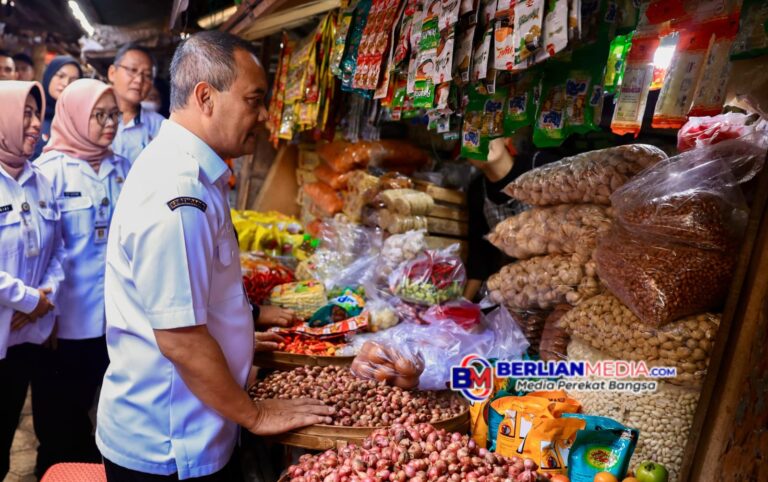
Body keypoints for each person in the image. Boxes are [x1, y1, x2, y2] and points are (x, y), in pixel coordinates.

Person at [96, 31, 333, 481]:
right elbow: (181, 340)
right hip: (170, 443)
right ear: (206, 97)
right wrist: (255, 414)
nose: (263, 116)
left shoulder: (196, 173)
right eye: (253, 101)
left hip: (192, 424)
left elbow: (198, 301)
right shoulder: (179, 191)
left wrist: (238, 337)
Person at [33, 78, 129, 477]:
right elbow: (41, 252)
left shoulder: (123, 168)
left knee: (101, 421)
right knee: (59, 424)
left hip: (112, 322)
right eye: (99, 115)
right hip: (63, 323)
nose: (109, 124)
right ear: (73, 116)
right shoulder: (49, 172)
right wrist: (44, 315)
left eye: (114, 115)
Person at [0, 81, 64, 481]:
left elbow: (60, 249)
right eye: (24, 114)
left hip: (26, 337)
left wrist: (48, 294)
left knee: (5, 435)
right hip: (7, 325)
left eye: (36, 114)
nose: (35, 123)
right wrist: (28, 299)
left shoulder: (41, 180)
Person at [464, 137, 530, 301]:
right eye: (470, 137)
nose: (479, 142)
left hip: (558, 273)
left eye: (487, 132)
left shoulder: (538, 164)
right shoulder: (477, 191)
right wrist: (464, 303)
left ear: (507, 138)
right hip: (514, 288)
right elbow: (479, 253)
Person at [108, 43, 164, 165]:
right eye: (132, 70)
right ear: (112, 73)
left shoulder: (160, 127)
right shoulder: (91, 118)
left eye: (147, 75)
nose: (139, 80)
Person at [32, 56, 82, 159]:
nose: (66, 83)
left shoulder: (79, 122)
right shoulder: (31, 111)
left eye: (73, 80)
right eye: (61, 76)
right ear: (49, 76)